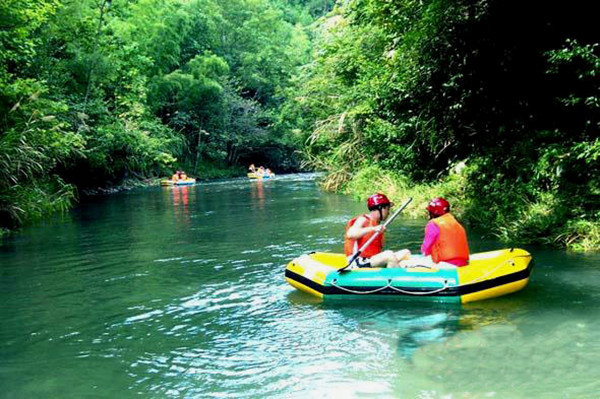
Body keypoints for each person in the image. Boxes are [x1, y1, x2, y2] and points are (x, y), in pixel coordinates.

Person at [344, 193, 410, 268]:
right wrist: (373, 229)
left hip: (371, 260)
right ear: (380, 208)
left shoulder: (377, 223)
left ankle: (398, 269)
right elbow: (350, 234)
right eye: (387, 209)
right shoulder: (363, 219)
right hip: (357, 262)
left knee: (405, 252)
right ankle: (397, 278)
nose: (388, 212)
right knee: (389, 255)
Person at [401, 197, 470, 268]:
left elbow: (425, 250)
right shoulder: (455, 222)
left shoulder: (433, 224)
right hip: (462, 263)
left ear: (433, 213)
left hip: (445, 265)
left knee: (403, 263)